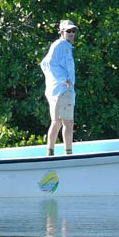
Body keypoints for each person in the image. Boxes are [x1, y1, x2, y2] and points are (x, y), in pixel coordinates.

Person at [40, 20, 78, 155]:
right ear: (62, 32)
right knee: (68, 123)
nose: (71, 33)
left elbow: (44, 64)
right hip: (63, 91)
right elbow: (48, 64)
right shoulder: (61, 45)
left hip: (58, 91)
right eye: (68, 31)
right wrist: (64, 80)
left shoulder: (62, 46)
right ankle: (68, 154)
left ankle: (50, 152)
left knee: (57, 122)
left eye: (73, 31)